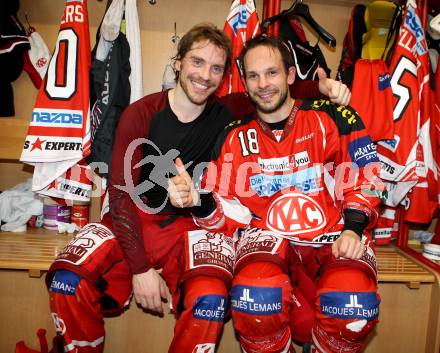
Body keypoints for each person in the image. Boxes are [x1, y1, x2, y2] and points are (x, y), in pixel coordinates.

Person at [46, 23, 352, 353]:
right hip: (134, 221)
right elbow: (119, 195)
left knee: (210, 300)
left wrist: (321, 87)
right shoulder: (141, 112)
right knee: (67, 281)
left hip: (191, 228)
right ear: (177, 62)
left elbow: (272, 92)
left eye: (216, 68)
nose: (205, 75)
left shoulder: (229, 112)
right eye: (197, 62)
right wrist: (141, 269)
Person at [169, 35, 382, 353]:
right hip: (265, 245)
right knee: (256, 301)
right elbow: (226, 215)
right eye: (253, 76)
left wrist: (353, 227)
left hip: (332, 240)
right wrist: (197, 201)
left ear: (291, 76)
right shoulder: (232, 135)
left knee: (354, 306)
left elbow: (365, 179)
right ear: (244, 81)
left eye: (272, 73)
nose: (263, 83)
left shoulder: (335, 117)